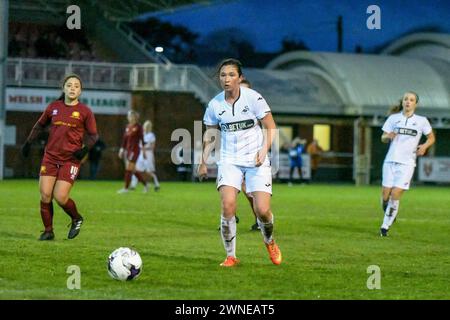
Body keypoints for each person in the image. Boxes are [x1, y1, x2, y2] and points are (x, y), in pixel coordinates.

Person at [198, 58, 282, 267]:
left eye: (231, 75)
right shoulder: (215, 104)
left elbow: (271, 127)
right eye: (223, 75)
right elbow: (210, 133)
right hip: (229, 160)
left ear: (240, 77)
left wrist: (263, 151)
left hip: (256, 159)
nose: (226, 79)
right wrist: (203, 160)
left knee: (262, 210)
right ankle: (230, 256)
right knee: (228, 206)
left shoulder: (253, 98)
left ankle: (269, 241)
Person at [21, 74, 98, 240]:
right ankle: (48, 231)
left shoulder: (85, 111)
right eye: (69, 85)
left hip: (70, 160)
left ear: (81, 91)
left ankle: (76, 218)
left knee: (60, 197)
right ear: (63, 88)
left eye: (76, 86)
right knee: (45, 194)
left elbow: (93, 137)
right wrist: (28, 143)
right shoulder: (53, 107)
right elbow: (39, 126)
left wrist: (84, 150)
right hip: (50, 157)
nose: (72, 88)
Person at [379, 91, 435, 237]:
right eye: (406, 99)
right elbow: (383, 138)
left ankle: (385, 226)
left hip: (407, 163)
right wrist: (387, 136)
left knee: (396, 193)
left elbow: (431, 138)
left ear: (416, 103)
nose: (408, 102)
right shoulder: (393, 118)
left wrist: (423, 147)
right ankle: (388, 208)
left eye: (411, 100)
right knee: (385, 194)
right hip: (390, 160)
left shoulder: (422, 121)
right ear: (402, 102)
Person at [240, 78, 259, 231]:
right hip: (234, 156)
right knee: (227, 188)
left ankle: (260, 219)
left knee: (250, 191)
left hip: (252, 155)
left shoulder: (254, 108)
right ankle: (228, 218)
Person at [117, 110, 148, 194]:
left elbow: (142, 139)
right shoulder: (128, 127)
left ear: (135, 117)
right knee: (133, 170)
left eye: (131, 116)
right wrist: (121, 150)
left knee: (128, 169)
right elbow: (125, 139)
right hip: (128, 150)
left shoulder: (139, 127)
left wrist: (144, 151)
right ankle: (145, 185)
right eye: (129, 116)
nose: (130, 117)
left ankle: (126, 188)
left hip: (135, 150)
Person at [130, 120, 160, 192]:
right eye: (145, 126)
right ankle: (133, 185)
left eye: (147, 126)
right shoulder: (142, 134)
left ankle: (156, 184)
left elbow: (152, 147)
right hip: (140, 154)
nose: (145, 128)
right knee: (136, 170)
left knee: (149, 171)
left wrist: (144, 149)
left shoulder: (151, 135)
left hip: (148, 154)